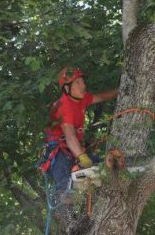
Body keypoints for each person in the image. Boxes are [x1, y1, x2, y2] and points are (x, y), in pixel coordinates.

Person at [40, 67, 118, 199]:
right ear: (66, 88)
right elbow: (70, 136)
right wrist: (82, 157)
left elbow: (102, 96)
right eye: (78, 83)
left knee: (100, 165)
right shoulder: (64, 105)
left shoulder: (82, 99)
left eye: (82, 82)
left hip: (74, 149)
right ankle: (64, 208)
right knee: (65, 186)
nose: (83, 85)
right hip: (58, 151)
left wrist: (122, 91)